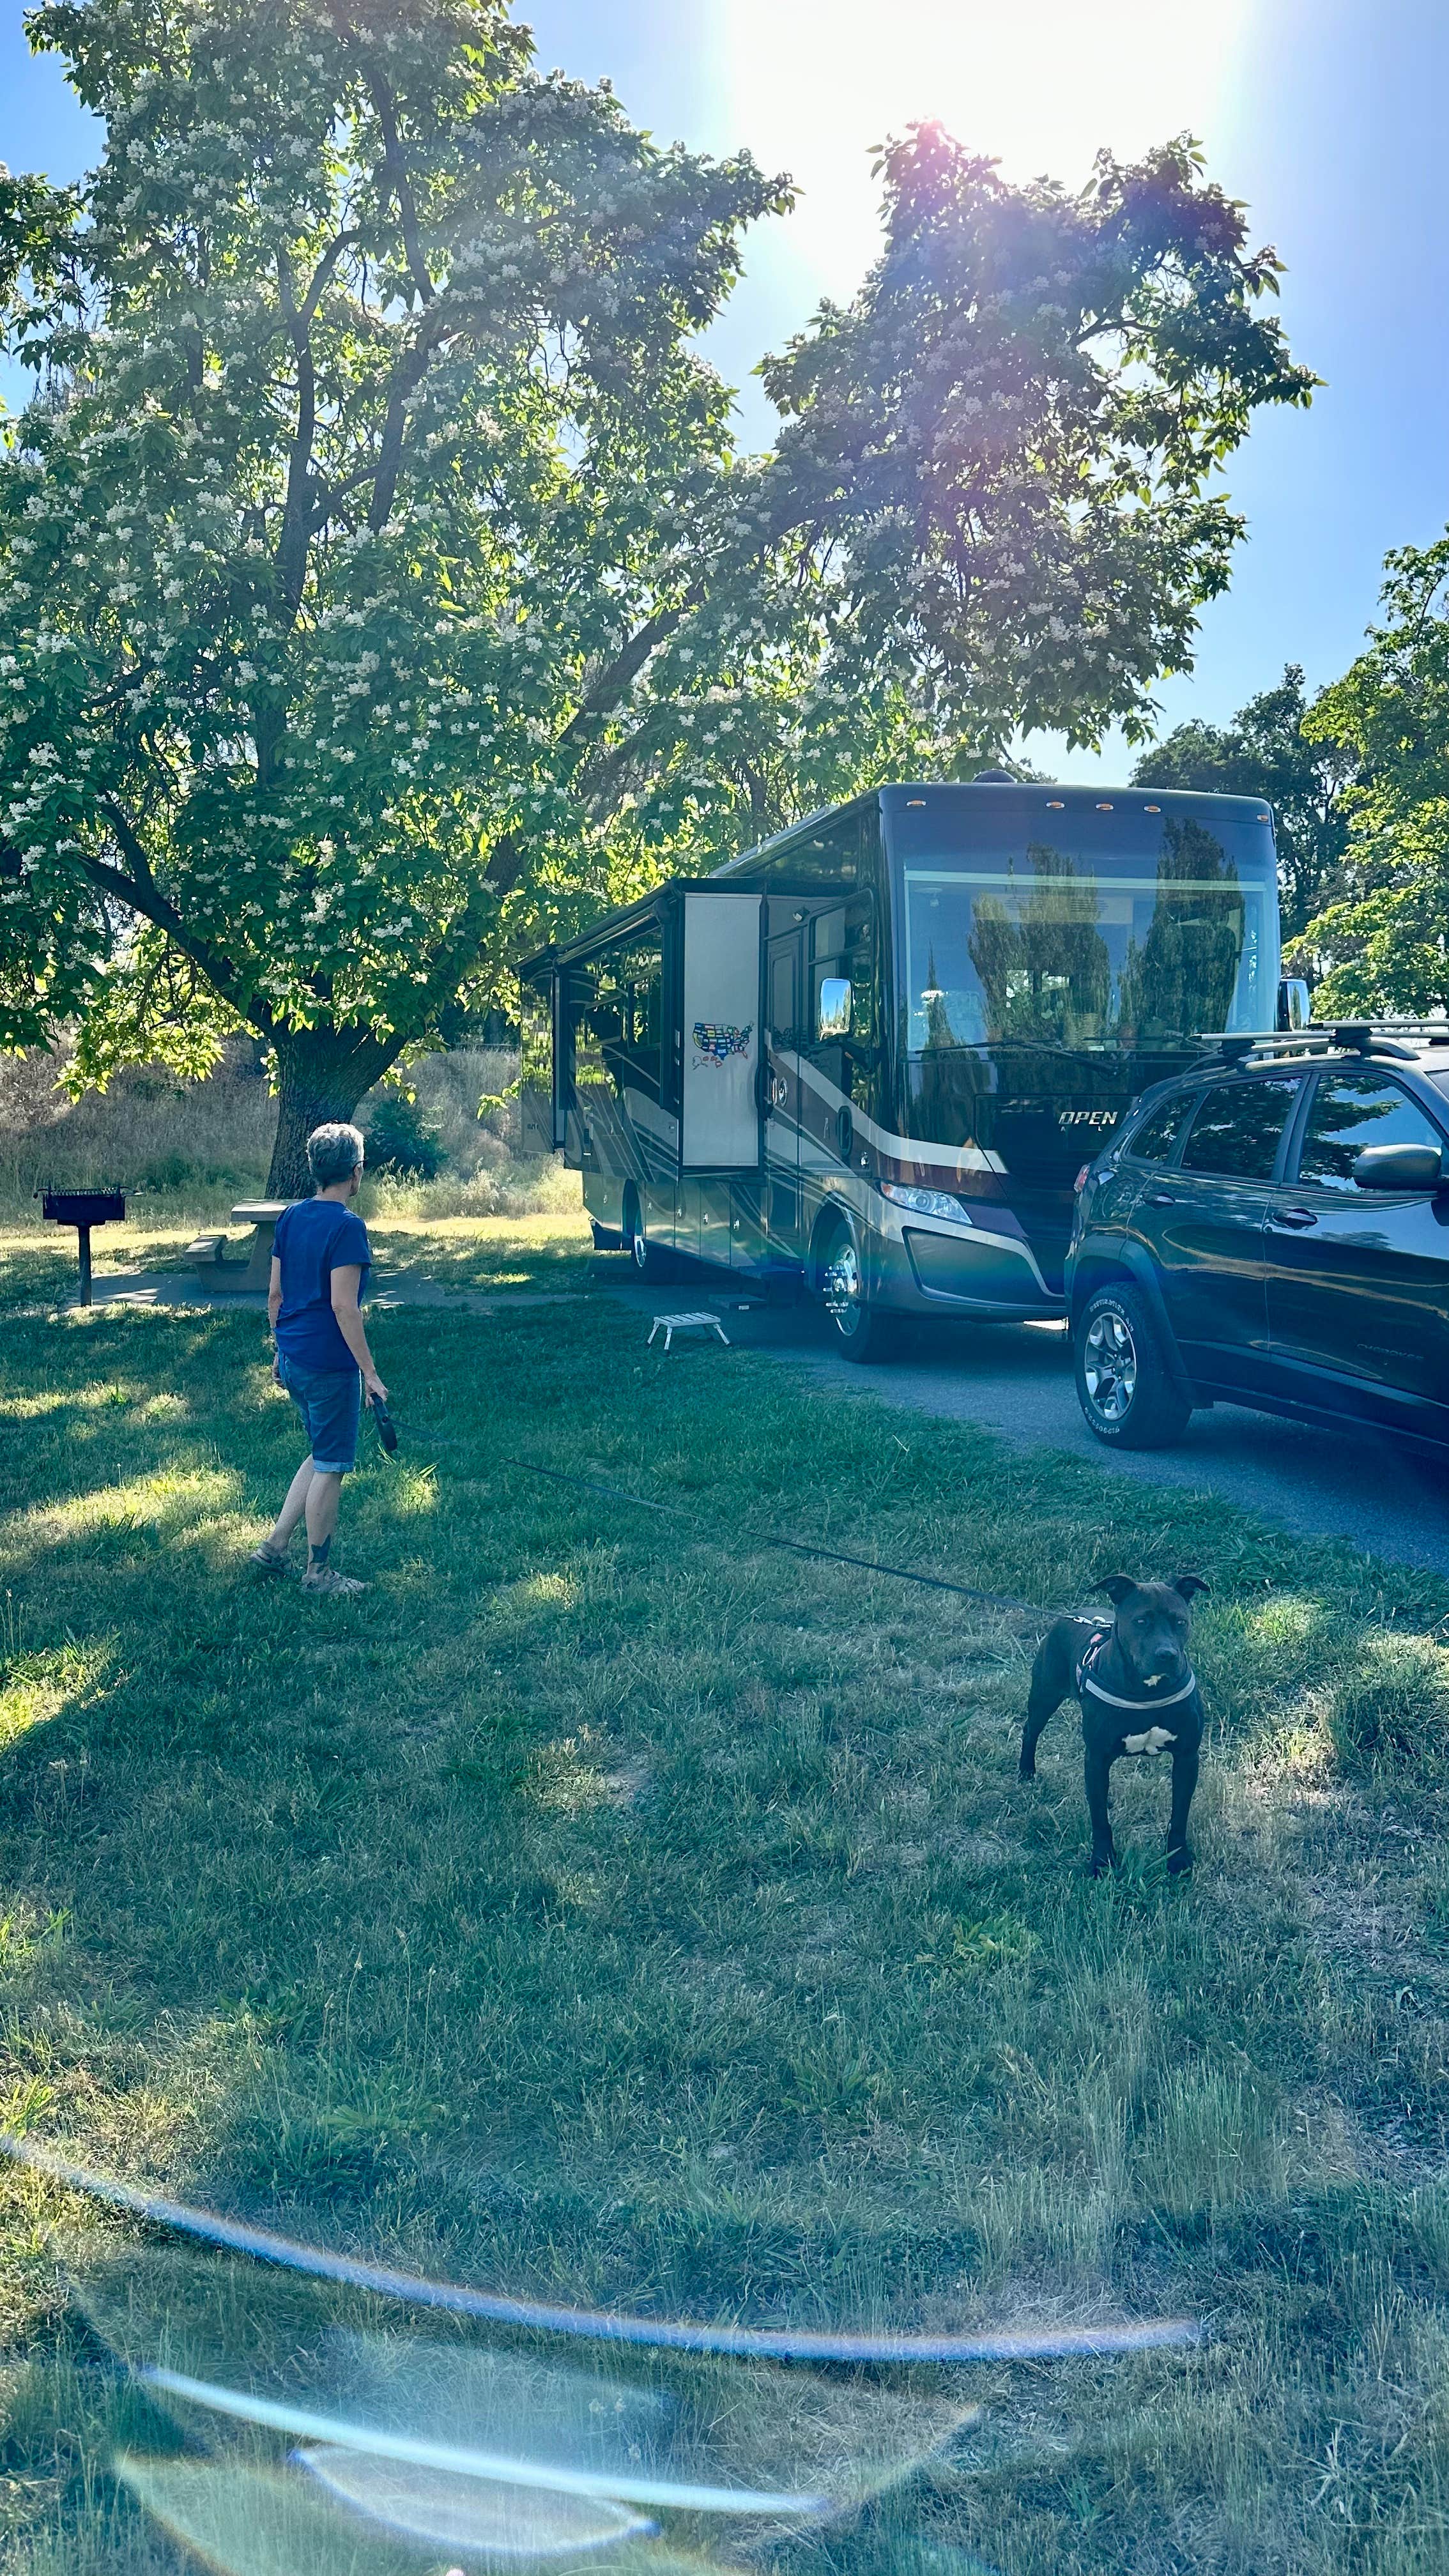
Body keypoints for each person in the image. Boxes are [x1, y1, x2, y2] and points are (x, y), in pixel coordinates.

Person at [251, 1121, 388, 1597]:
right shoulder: (348, 1227)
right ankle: (319, 1574)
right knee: (332, 1464)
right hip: (329, 1368)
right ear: (356, 1172)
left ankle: (274, 1547)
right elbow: (343, 1306)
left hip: (294, 1359)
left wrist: (279, 1347)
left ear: (314, 1169)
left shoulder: (290, 1217)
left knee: (321, 1452)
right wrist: (370, 1374)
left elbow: (274, 1296)